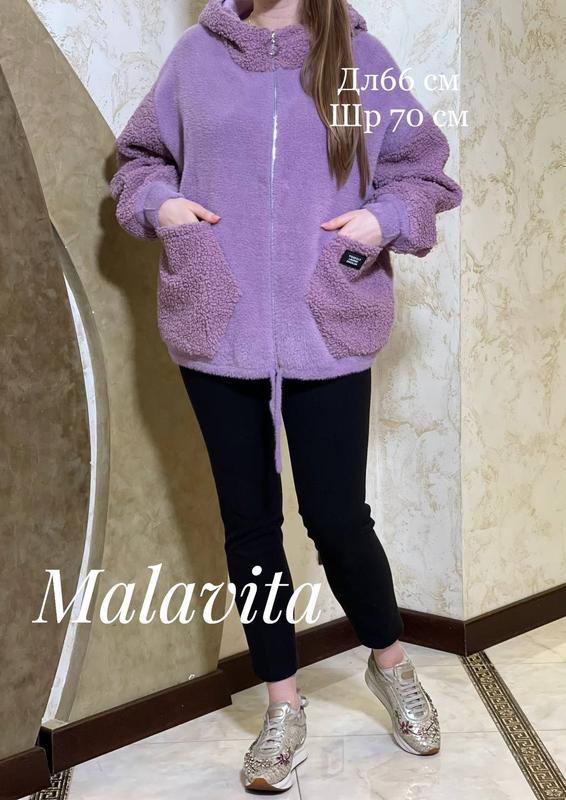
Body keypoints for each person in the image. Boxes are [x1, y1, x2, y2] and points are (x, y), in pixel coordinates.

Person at [110, 0, 462, 791]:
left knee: (337, 517)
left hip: (326, 319)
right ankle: (282, 702)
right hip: (217, 320)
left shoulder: (360, 60)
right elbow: (137, 162)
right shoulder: (196, 59)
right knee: (249, 524)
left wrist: (378, 222)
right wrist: (164, 207)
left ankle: (391, 662)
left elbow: (423, 173)